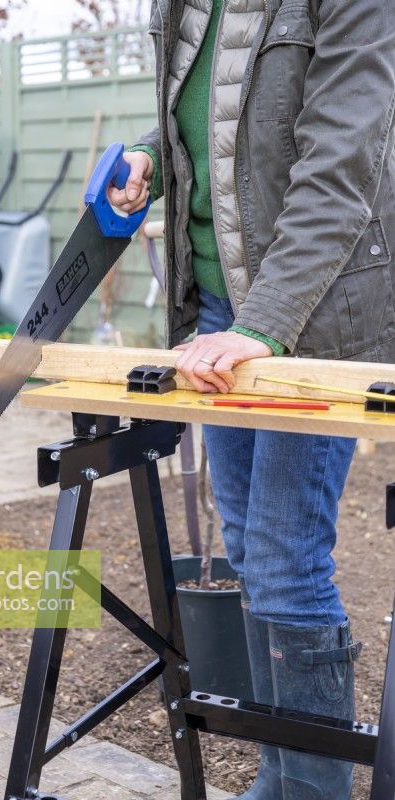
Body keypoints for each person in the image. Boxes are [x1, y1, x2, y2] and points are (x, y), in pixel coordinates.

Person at [108, 1, 395, 798]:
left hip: (309, 313)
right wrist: (146, 155)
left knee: (282, 552)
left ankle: (310, 787)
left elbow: (339, 165)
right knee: (249, 548)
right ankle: (285, 771)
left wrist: (265, 327)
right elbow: (224, 124)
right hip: (217, 309)